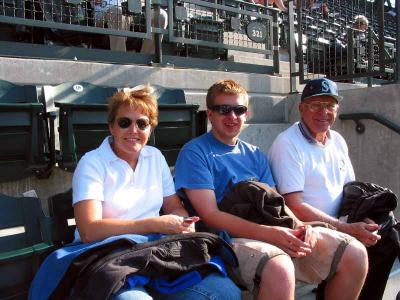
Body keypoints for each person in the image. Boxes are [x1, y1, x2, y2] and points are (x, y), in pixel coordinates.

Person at [175, 79, 368, 300]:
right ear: (210, 114)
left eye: (239, 110)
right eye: (223, 110)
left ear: (246, 115)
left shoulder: (254, 154)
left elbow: (276, 203)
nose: (232, 116)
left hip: (268, 229)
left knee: (354, 253)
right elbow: (210, 216)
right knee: (280, 267)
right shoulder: (195, 152)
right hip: (225, 239)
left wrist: (301, 225)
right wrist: (271, 233)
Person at [72, 85, 241, 299]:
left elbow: (173, 207)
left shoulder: (155, 157)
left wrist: (183, 223)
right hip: (106, 254)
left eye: (142, 123)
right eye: (125, 122)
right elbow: (89, 231)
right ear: (111, 127)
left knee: (226, 291)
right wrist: (154, 224)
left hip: (151, 250)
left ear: (150, 129)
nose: (134, 130)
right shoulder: (92, 163)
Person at [268, 78, 393, 300]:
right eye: (316, 105)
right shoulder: (287, 143)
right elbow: (294, 205)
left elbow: (350, 191)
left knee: (389, 233)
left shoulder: (337, 140)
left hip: (339, 223)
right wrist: (344, 228)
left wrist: (362, 219)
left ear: (337, 109)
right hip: (309, 229)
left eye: (330, 105)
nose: (323, 112)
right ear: (301, 109)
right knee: (359, 248)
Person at [93, 0, 167, 53]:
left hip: (130, 12)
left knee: (161, 15)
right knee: (117, 11)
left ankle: (145, 59)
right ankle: (120, 59)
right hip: (102, 14)